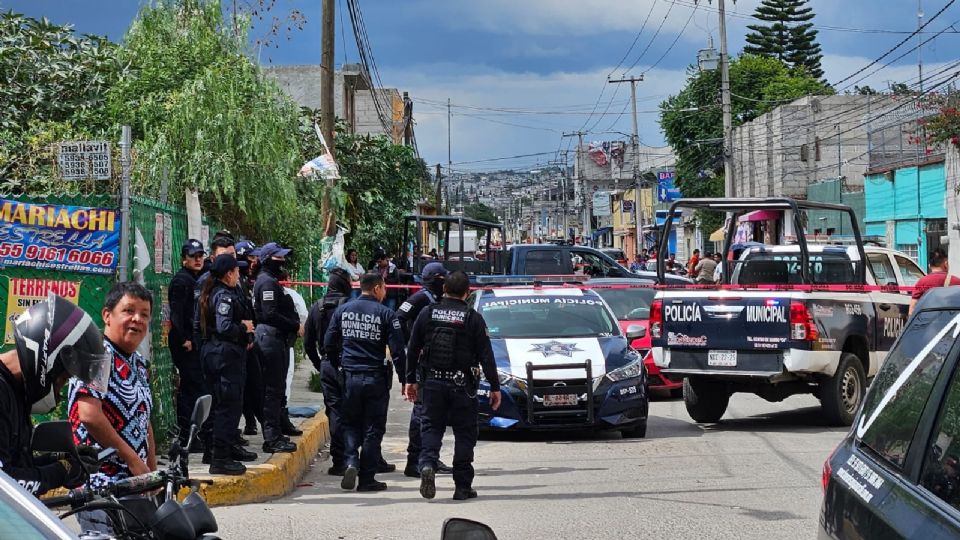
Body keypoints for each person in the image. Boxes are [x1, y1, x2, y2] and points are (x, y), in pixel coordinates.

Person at [68, 283, 158, 533]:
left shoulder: (138, 363)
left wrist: (151, 470)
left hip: (132, 487)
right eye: (128, 311)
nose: (137, 320)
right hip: (100, 485)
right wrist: (133, 461)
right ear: (107, 315)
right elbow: (89, 415)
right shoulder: (96, 355)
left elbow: (144, 419)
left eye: (144, 314)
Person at [404, 271, 501, 501]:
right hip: (462, 386)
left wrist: (410, 380)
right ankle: (462, 486)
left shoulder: (428, 313)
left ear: (443, 289)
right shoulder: (473, 318)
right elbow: (486, 356)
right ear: (467, 293)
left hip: (433, 384)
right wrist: (495, 387)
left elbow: (413, 347)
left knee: (431, 427)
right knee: (465, 433)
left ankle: (427, 464)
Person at [0, 295, 107, 497]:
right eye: (64, 379)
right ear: (47, 362)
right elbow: (5, 487)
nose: (60, 392)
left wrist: (60, 459)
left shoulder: (14, 390)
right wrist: (62, 470)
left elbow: (14, 463)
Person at [324, 273, 406, 493]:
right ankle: (367, 478)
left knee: (350, 423)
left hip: (350, 376)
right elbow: (398, 351)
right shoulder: (386, 314)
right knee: (373, 428)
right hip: (375, 378)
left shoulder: (343, 310)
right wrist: (406, 379)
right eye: (385, 288)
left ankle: (351, 461)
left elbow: (329, 343)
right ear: (377, 288)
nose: (385, 292)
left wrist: (339, 366)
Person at [199, 254, 256, 475]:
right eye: (236, 271)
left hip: (218, 354)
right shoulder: (223, 296)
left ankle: (220, 452)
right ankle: (220, 459)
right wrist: (244, 328)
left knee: (223, 406)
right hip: (224, 356)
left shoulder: (215, 292)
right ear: (228, 274)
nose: (239, 275)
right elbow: (224, 327)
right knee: (228, 407)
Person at [396, 262, 453, 478]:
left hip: (433, 363)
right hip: (421, 364)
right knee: (421, 412)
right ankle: (414, 460)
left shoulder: (436, 299)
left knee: (433, 413)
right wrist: (411, 344)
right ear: (435, 279)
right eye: (442, 278)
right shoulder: (421, 298)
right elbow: (398, 317)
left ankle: (430, 458)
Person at [304, 268, 354, 476]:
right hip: (349, 365)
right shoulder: (350, 307)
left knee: (334, 412)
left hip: (327, 366)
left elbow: (308, 343)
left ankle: (339, 460)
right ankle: (355, 457)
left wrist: (319, 364)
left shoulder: (316, 307)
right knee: (352, 412)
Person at [254, 242, 301, 453]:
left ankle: (276, 432)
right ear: (267, 259)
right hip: (270, 339)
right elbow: (269, 313)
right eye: (278, 258)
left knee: (277, 389)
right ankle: (271, 437)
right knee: (272, 390)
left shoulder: (270, 281)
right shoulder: (267, 283)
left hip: (275, 339)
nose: (282, 261)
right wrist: (294, 324)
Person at [169, 239, 205, 449]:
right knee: (190, 388)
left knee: (196, 387)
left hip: (193, 340)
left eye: (200, 255)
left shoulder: (195, 278)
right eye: (193, 256)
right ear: (184, 259)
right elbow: (176, 313)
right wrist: (185, 339)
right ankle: (186, 436)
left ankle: (193, 434)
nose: (198, 259)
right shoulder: (182, 281)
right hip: (185, 342)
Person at [235, 240, 264, 437]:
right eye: (252, 257)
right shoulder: (236, 282)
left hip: (249, 338)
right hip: (237, 340)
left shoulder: (248, 280)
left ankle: (254, 421)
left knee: (253, 383)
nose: (255, 260)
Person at [910, 248, 960, 314]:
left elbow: (912, 310)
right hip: (950, 322)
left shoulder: (922, 282)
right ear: (946, 264)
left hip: (927, 322)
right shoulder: (956, 282)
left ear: (929, 266)